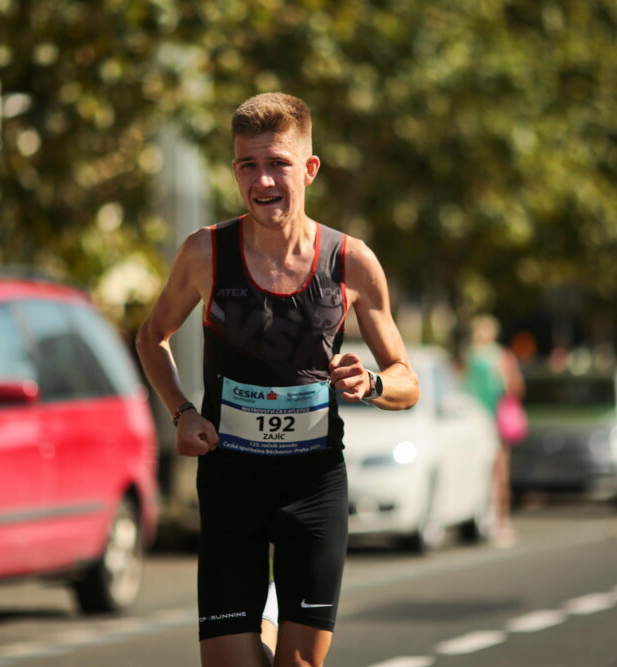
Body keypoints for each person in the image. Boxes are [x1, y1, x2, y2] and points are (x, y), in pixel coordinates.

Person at [136, 92, 420, 667]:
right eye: (248, 165)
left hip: (312, 486)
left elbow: (407, 379)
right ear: (235, 169)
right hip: (231, 483)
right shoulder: (205, 253)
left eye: (278, 164)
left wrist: (371, 382)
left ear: (309, 169)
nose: (263, 180)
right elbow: (151, 337)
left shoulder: (351, 262)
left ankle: (269, 627)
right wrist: (181, 412)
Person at [464, 313, 525, 548]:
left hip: (474, 420)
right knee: (500, 473)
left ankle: (484, 518)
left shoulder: (470, 357)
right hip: (494, 421)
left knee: (479, 471)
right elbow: (513, 388)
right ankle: (501, 521)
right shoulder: (500, 357)